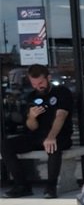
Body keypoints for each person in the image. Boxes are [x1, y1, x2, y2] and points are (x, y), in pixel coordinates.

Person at [1, 64, 73, 198]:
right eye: (34, 84)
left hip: (58, 135)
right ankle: (22, 185)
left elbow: (61, 116)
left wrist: (51, 136)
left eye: (40, 83)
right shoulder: (31, 97)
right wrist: (32, 117)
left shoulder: (62, 92)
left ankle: (50, 187)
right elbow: (31, 126)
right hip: (37, 136)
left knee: (53, 146)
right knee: (5, 145)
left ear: (48, 78)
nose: (38, 86)